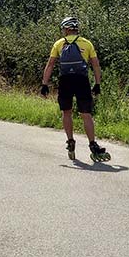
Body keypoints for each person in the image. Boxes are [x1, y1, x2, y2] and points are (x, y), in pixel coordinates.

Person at [40, 16, 110, 161]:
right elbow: (96, 65)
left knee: (67, 112)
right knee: (86, 114)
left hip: (65, 81)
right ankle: (92, 144)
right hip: (81, 81)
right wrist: (97, 84)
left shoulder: (59, 44)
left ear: (66, 29)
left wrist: (44, 84)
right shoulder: (86, 43)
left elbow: (50, 65)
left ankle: (70, 141)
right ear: (76, 29)